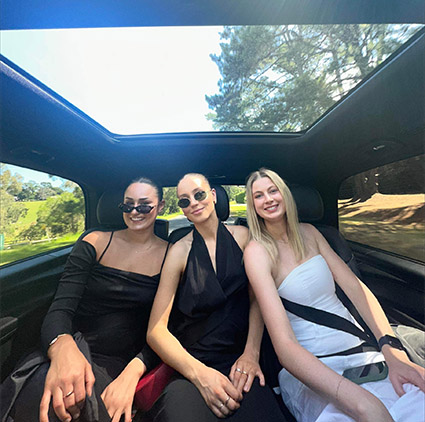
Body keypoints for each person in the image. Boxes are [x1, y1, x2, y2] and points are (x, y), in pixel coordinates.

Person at [243, 168, 425, 422]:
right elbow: (285, 346)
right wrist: (358, 401)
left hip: (362, 350)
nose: (268, 199)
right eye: (259, 195)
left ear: (284, 194)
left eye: (273, 190)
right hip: (312, 367)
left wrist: (393, 352)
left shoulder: (311, 233)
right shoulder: (256, 252)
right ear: (252, 206)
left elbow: (357, 290)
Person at [1, 177, 169, 422]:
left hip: (121, 361)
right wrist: (62, 348)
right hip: (72, 345)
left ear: (161, 206)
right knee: (43, 398)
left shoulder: (172, 254)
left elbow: (166, 328)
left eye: (144, 205)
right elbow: (61, 308)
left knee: (78, 406)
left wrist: (132, 373)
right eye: (128, 205)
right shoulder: (94, 242)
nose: (135, 211)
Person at [145, 173, 283, 421]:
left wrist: (251, 353)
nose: (193, 203)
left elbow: (258, 299)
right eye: (184, 201)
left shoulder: (243, 237)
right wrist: (201, 376)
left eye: (199, 194)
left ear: (213, 196)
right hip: (194, 363)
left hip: (241, 360)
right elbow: (156, 331)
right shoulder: (179, 252)